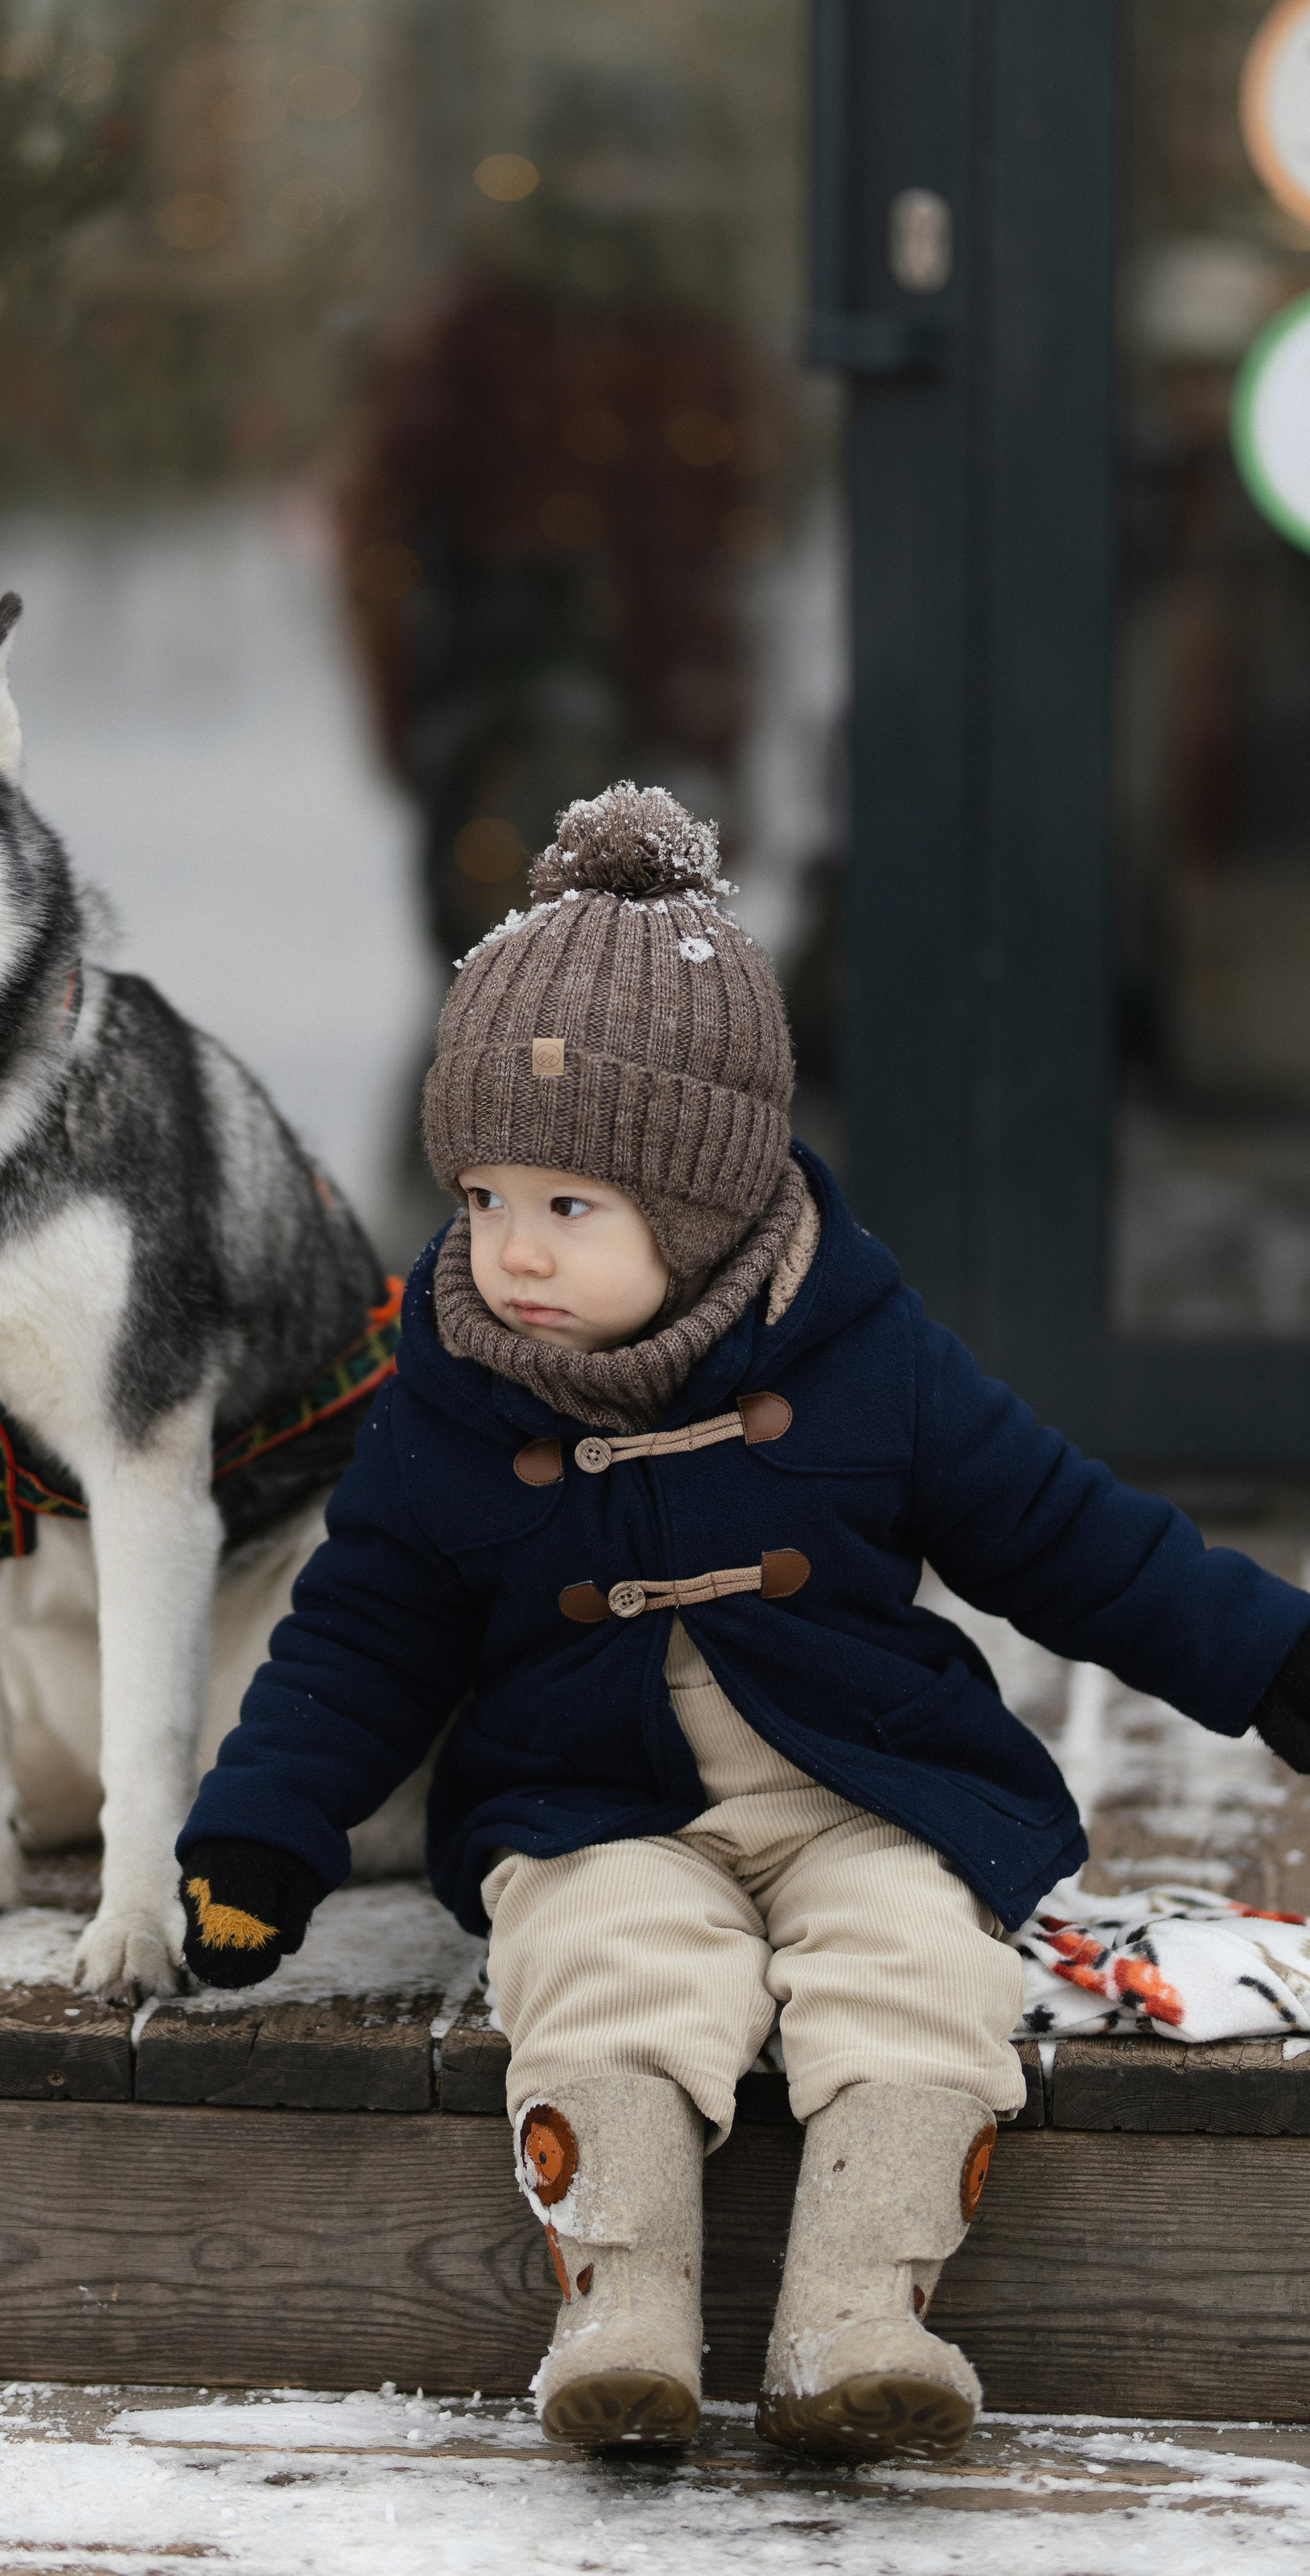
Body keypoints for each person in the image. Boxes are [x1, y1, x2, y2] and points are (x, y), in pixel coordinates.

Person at [174, 783, 1310, 2461]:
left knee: (918, 1968)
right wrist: (265, 1828)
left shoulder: (866, 1360)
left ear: (699, 1204)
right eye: (484, 1198)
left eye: (567, 1210)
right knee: (606, 1967)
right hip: (592, 1802)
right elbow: (360, 1633)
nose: (510, 1253)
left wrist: (1270, 1658)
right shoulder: (450, 1396)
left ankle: (857, 2319)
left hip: (863, 1783)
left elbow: (1068, 1538)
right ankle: (620, 2320)